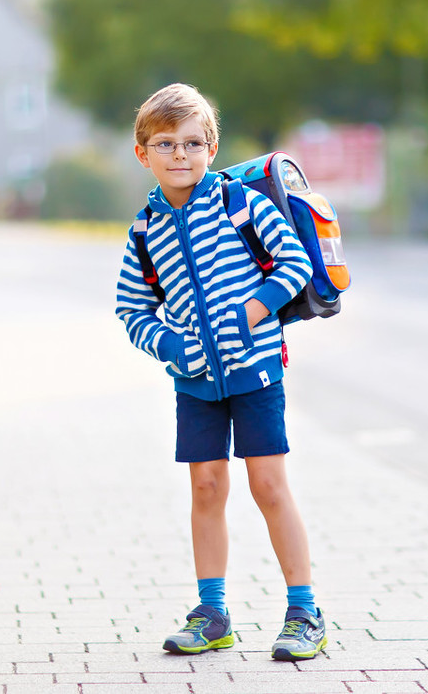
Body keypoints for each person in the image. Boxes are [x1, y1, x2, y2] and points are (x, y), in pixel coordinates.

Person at [115, 83, 327, 661]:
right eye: (165, 144)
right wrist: (170, 346)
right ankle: (212, 613)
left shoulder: (240, 204)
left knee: (268, 486)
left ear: (211, 147)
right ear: (144, 154)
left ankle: (304, 610)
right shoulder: (144, 231)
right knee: (206, 488)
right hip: (196, 384)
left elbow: (294, 263)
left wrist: (250, 314)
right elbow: (131, 307)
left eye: (191, 143)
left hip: (256, 373)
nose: (179, 155)